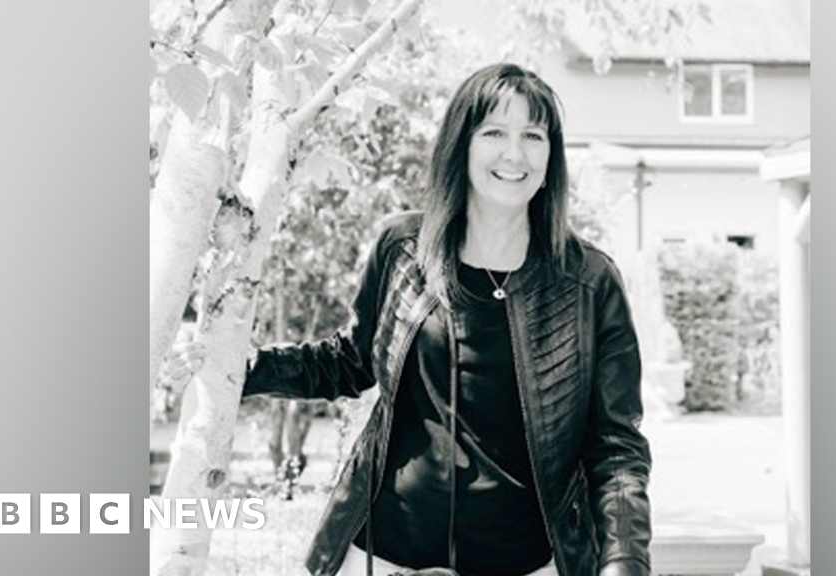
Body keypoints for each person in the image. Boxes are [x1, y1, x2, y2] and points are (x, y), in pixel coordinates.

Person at [167, 63, 651, 576]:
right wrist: (240, 367)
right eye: (494, 132)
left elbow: (616, 448)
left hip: (525, 562)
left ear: (551, 156)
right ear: (461, 144)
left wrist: (624, 564)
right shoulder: (403, 248)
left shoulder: (588, 280)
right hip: (383, 553)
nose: (515, 153)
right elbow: (348, 362)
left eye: (533, 136)